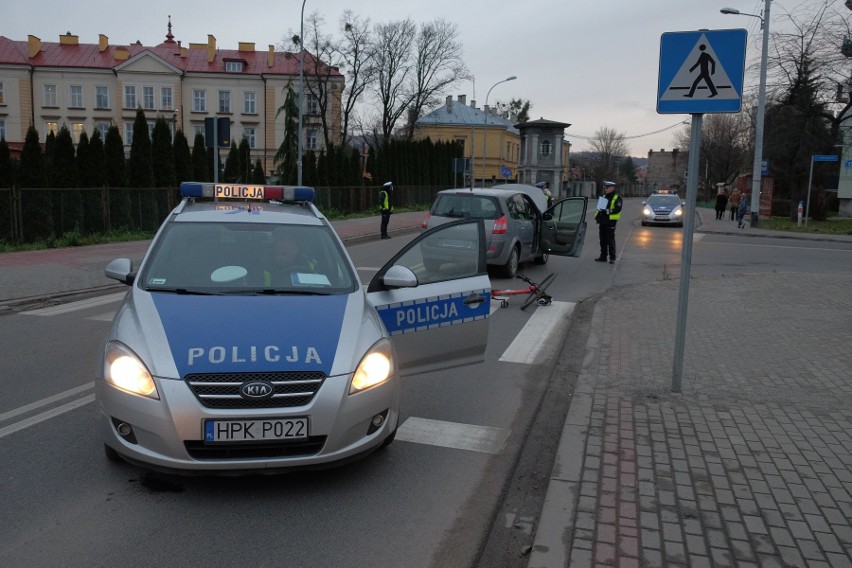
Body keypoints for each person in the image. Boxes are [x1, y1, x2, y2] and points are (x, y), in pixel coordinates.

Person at [594, 181, 622, 264]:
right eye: (605, 187)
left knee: (610, 240)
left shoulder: (617, 197)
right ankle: (603, 256)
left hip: (611, 222)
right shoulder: (604, 196)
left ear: (612, 188)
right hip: (602, 221)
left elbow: (617, 209)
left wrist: (607, 211)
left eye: (607, 187)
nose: (605, 189)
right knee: (602, 240)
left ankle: (612, 257)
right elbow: (599, 209)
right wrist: (597, 217)